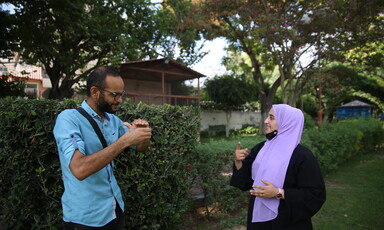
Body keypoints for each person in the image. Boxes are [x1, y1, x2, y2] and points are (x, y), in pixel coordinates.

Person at [53, 66, 152, 229]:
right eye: (115, 94)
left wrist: (142, 134)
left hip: (115, 210)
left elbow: (140, 148)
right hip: (86, 219)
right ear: (94, 92)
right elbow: (79, 169)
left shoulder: (113, 120)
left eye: (121, 94)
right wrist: (125, 141)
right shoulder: (69, 119)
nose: (120, 100)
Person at [230, 104, 326, 230]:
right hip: (259, 221)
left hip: (289, 222)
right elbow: (245, 181)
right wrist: (238, 162)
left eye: (271, 118)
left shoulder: (302, 156)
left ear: (286, 122)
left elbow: (315, 195)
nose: (266, 121)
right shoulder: (261, 148)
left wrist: (279, 193)